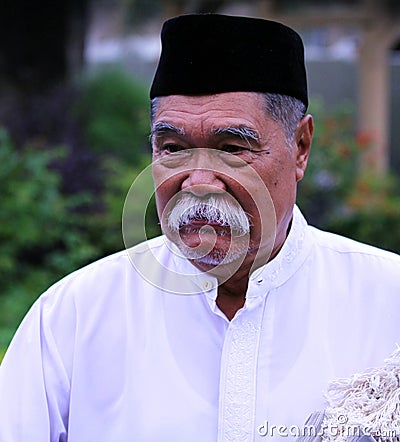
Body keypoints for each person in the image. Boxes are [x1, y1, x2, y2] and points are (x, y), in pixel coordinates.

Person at [0, 13, 399, 442]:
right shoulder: (72, 318)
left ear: (300, 147)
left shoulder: (387, 301)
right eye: (173, 148)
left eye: (232, 149)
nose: (200, 181)